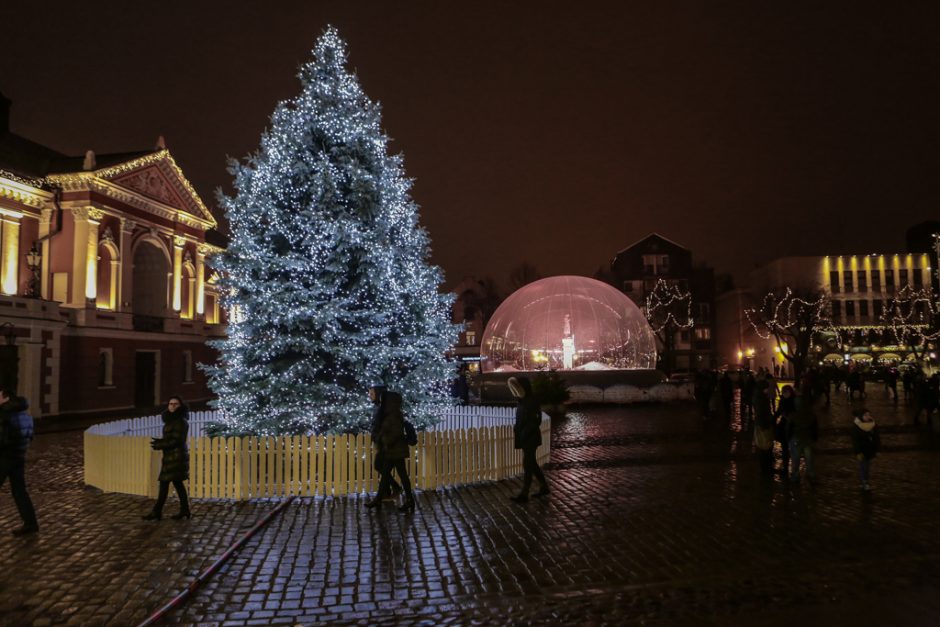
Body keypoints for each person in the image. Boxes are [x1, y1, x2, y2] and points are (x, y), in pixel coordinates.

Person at [366, 390, 415, 513]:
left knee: (400, 475)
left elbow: (395, 433)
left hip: (395, 450)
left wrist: (382, 439)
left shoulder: (393, 415)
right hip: (393, 450)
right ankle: (407, 500)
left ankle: (407, 500)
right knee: (395, 474)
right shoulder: (392, 414)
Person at [143, 396, 191, 521]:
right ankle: (184, 510)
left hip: (176, 457)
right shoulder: (172, 420)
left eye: (176, 404)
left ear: (180, 406)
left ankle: (157, 512)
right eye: (171, 403)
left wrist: (160, 445)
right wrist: (161, 441)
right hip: (171, 457)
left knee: (165, 483)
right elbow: (171, 438)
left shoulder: (180, 421)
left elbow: (177, 440)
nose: (173, 406)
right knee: (177, 484)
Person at [0, 388, 38, 535]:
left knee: (19, 491)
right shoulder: (24, 414)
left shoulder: (4, 415)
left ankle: (30, 524)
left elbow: (1, 440)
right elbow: (29, 435)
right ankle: (30, 523)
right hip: (19, 457)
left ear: (6, 398)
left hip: (4, 458)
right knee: (19, 491)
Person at [508, 376, 549, 502]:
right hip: (525, 436)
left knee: (528, 464)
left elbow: (536, 420)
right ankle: (544, 487)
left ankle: (524, 493)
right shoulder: (522, 400)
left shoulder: (531, 400)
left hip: (530, 437)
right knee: (532, 463)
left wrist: (525, 431)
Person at [368, 384, 401, 501]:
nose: (370, 396)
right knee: (382, 467)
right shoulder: (378, 406)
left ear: (378, 394)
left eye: (372, 394)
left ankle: (395, 488)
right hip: (381, 442)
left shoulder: (384, 408)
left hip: (385, 443)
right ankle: (387, 493)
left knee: (379, 466)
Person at [787, 392, 819, 484]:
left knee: (795, 459)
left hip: (797, 439)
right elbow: (815, 428)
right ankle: (811, 475)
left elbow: (788, 429)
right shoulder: (811, 415)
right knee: (809, 459)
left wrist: (788, 439)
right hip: (808, 439)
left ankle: (795, 476)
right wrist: (814, 438)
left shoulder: (793, 415)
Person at [850, 409, 881, 491]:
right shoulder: (856, 427)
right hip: (861, 450)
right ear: (861, 416)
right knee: (863, 466)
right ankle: (864, 481)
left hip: (869, 450)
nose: (868, 416)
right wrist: (858, 452)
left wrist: (878, 449)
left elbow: (877, 438)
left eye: (869, 414)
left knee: (867, 466)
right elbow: (855, 441)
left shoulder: (872, 425)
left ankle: (865, 481)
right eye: (865, 415)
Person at [752, 380, 775, 476]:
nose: (767, 390)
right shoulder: (761, 399)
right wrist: (766, 425)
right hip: (763, 425)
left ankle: (766, 467)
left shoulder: (759, 397)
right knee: (765, 447)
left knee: (764, 447)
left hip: (761, 424)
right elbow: (762, 413)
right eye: (766, 388)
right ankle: (766, 468)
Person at [774, 384, 797, 476]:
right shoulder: (782, 401)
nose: (785, 394)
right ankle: (786, 467)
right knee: (785, 449)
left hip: (792, 426)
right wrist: (774, 419)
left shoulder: (794, 401)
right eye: (783, 392)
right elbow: (779, 411)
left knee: (793, 449)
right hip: (784, 427)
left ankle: (794, 470)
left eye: (786, 392)